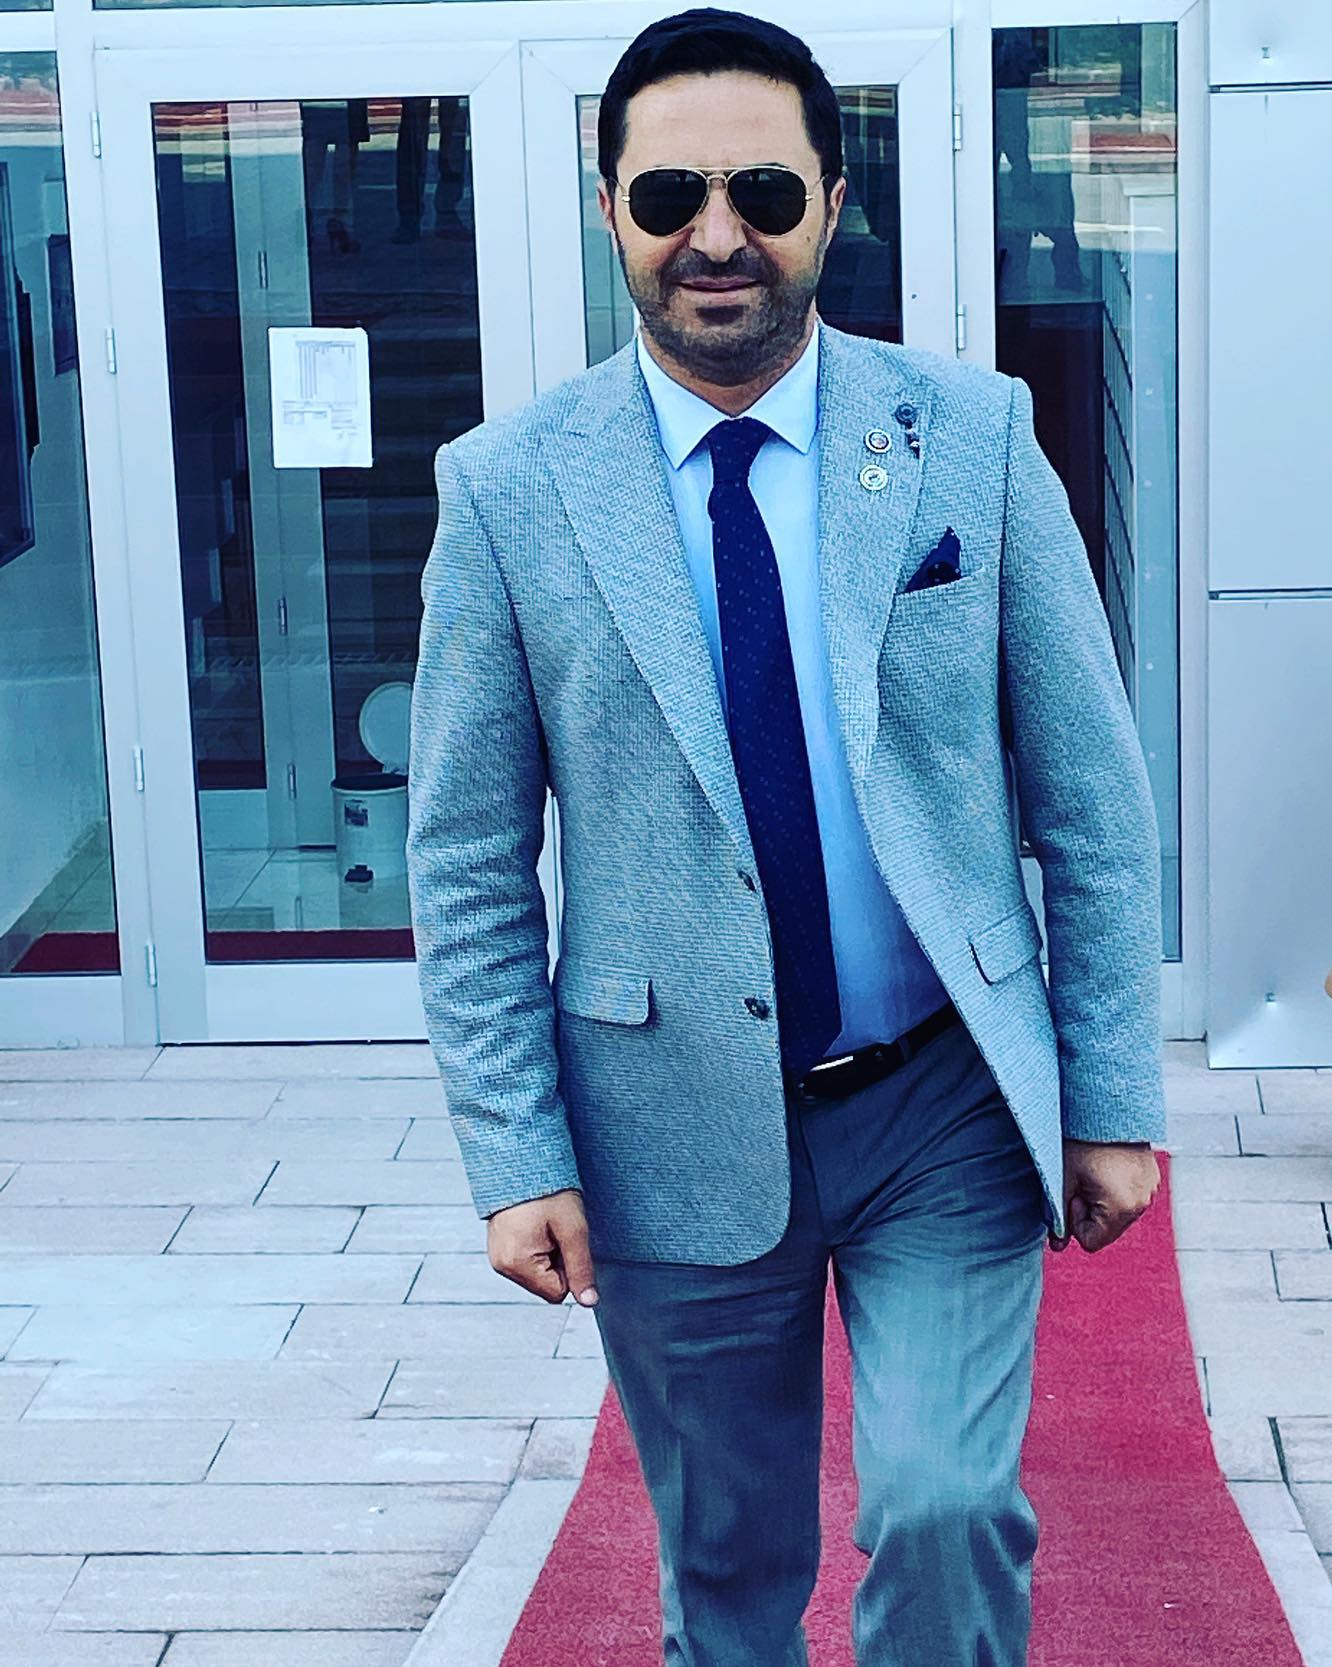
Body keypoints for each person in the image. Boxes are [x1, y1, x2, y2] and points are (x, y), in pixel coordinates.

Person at [405, 9, 1165, 1664]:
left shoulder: (973, 434)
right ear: (610, 209)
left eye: (761, 189)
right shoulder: (509, 490)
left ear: (831, 199)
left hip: (938, 1099)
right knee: (730, 1574)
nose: (716, 235)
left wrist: (1110, 1096)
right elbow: (465, 860)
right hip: (666, 1119)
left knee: (946, 1510)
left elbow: (1092, 797)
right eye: (667, 194)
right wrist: (518, 1155)